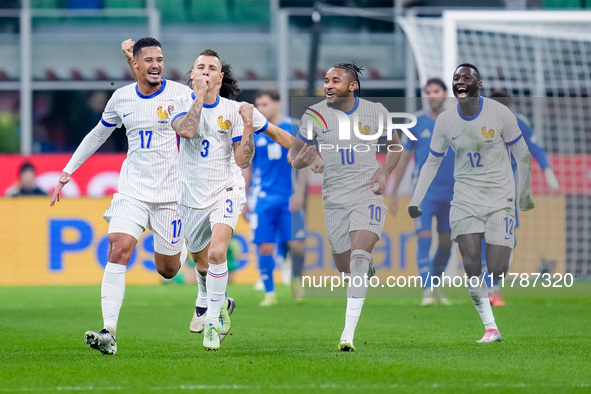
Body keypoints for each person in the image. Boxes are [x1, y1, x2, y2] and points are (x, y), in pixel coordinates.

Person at [50, 37, 191, 355]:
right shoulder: (121, 98)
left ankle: (184, 248)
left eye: (161, 59)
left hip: (171, 194)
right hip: (133, 190)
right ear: (136, 64)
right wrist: (68, 171)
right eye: (149, 60)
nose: (156, 64)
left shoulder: (181, 96)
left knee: (167, 269)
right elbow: (98, 133)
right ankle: (108, 332)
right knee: (119, 246)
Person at [408, 63, 535, 343]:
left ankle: (500, 268)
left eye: (467, 77)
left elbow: (523, 154)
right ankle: (491, 328)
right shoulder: (445, 121)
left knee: (498, 265)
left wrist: (524, 194)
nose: (460, 81)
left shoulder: (500, 114)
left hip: (500, 197)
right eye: (456, 78)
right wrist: (416, 198)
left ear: (479, 84)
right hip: (464, 199)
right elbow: (432, 161)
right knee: (471, 264)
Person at [290, 63, 403, 351]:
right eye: (326, 80)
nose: (328, 85)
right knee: (347, 268)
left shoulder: (376, 111)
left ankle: (347, 335)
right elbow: (294, 157)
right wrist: (309, 159)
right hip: (334, 200)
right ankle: (363, 266)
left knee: (359, 258)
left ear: (352, 86)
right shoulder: (313, 114)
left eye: (335, 80)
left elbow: (395, 147)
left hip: (367, 194)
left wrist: (383, 173)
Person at [482, 89, 559, 306]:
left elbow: (535, 148)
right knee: (482, 236)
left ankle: (493, 283)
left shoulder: (519, 122)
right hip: (479, 190)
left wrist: (549, 173)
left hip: (507, 192)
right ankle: (491, 288)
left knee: (506, 241)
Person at [388, 78, 453, 306]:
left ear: (445, 93)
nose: (432, 94)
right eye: (428, 91)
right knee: (424, 240)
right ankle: (427, 290)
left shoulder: (458, 122)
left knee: (446, 244)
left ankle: (434, 286)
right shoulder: (416, 122)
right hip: (424, 194)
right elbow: (404, 157)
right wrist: (394, 192)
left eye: (436, 90)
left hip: (452, 195)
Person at [246, 89, 307, 306]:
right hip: (262, 197)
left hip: (288, 197)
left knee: (297, 246)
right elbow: (248, 167)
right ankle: (269, 293)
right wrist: (245, 198)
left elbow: (305, 161)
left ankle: (297, 278)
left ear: (277, 103)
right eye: (258, 105)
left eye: (264, 104)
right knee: (264, 246)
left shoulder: (294, 127)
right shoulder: (253, 131)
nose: (260, 109)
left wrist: (300, 193)